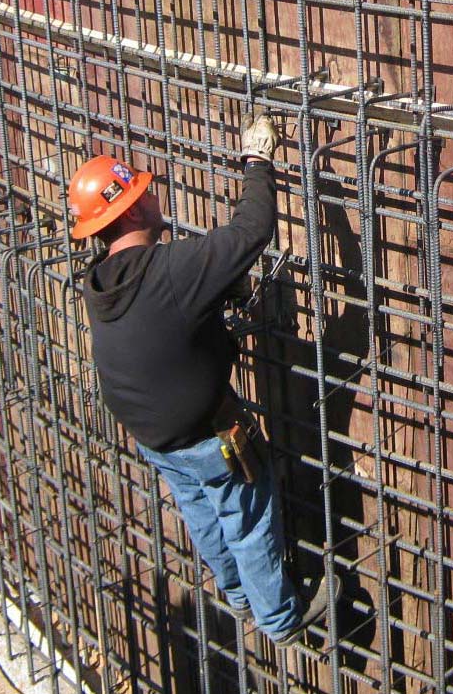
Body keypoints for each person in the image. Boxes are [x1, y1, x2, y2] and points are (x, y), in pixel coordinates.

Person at [68, 114, 340, 647]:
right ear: (135, 208)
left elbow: (162, 320)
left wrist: (213, 302)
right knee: (248, 513)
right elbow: (252, 231)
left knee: (203, 513)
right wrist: (257, 161)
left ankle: (237, 595)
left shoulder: (102, 280)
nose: (154, 195)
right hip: (203, 433)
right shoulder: (172, 269)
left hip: (151, 432)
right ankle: (280, 619)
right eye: (145, 191)